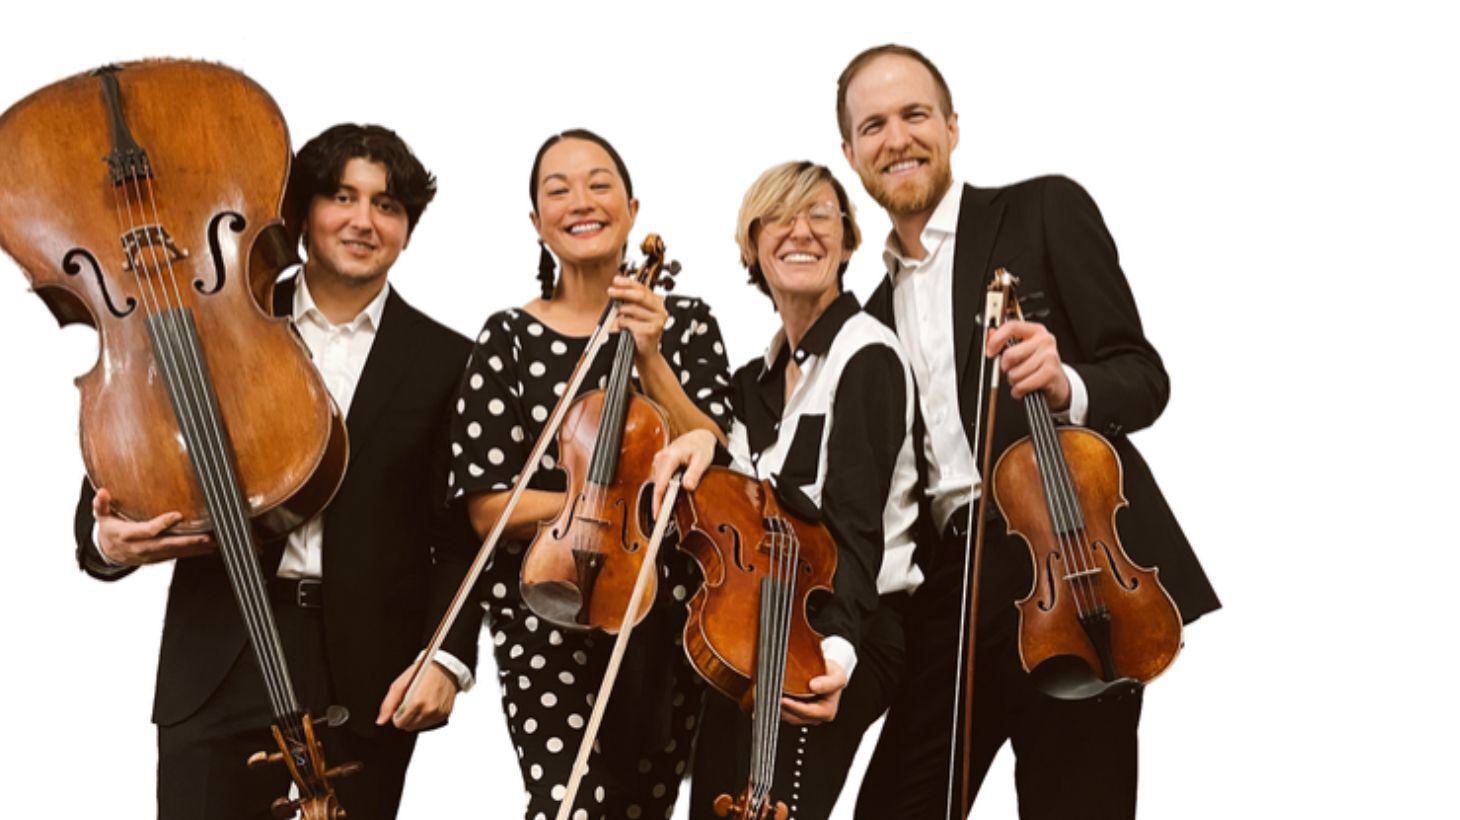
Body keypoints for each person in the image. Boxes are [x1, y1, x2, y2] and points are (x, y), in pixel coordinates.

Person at [835, 44, 1223, 818]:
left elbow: (1142, 377)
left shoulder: (1043, 208)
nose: (897, 138)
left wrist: (1068, 381)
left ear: (950, 125)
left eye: (914, 114)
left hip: (1068, 562)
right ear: (850, 153)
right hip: (946, 584)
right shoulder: (868, 321)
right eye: (872, 125)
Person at [74, 124, 481, 819]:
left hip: (368, 672)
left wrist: (446, 658)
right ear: (298, 215)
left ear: (408, 229)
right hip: (217, 659)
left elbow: (463, 529)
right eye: (341, 196)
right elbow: (124, 473)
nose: (363, 220)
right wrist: (105, 544)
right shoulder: (218, 324)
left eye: (387, 205)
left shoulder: (450, 360)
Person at [448, 129, 733, 819]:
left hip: (658, 604)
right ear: (536, 221)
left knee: (645, 806)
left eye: (599, 183)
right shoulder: (508, 337)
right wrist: (590, 507)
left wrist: (651, 357)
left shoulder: (686, 324)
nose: (582, 201)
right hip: (544, 604)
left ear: (632, 209)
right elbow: (488, 506)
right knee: (567, 804)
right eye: (559, 188)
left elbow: (715, 453)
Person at [649, 160, 921, 820]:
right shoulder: (755, 381)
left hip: (835, 623)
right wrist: (699, 438)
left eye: (821, 214)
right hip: (754, 624)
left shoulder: (868, 355)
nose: (802, 231)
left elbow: (855, 525)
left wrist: (835, 656)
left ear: (848, 242)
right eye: (779, 217)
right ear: (752, 246)